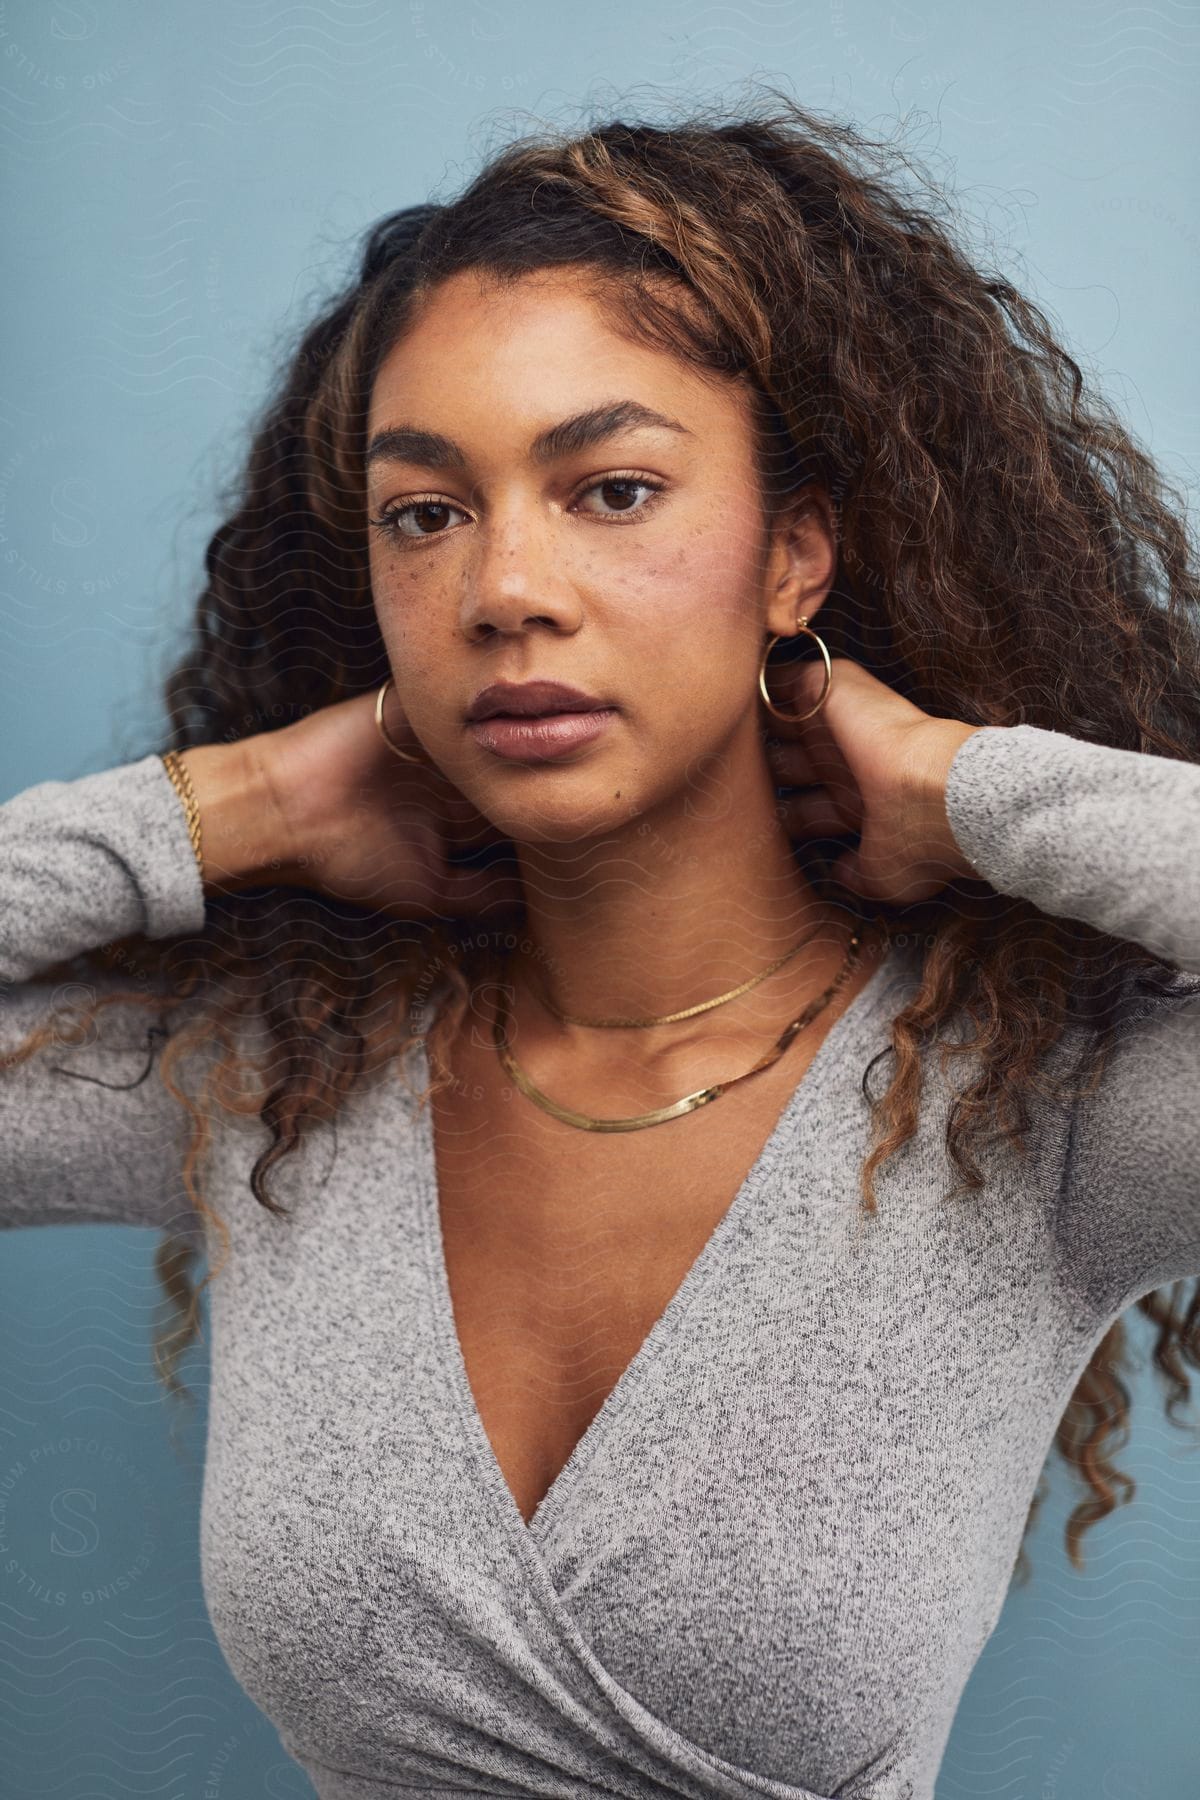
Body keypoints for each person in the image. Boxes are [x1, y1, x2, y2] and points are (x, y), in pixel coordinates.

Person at [3, 95, 1199, 1800]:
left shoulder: (1041, 1106)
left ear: (795, 553)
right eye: (425, 513)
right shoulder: (270, 1086)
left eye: (612, 490)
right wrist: (229, 806)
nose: (506, 587)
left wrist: (971, 785)